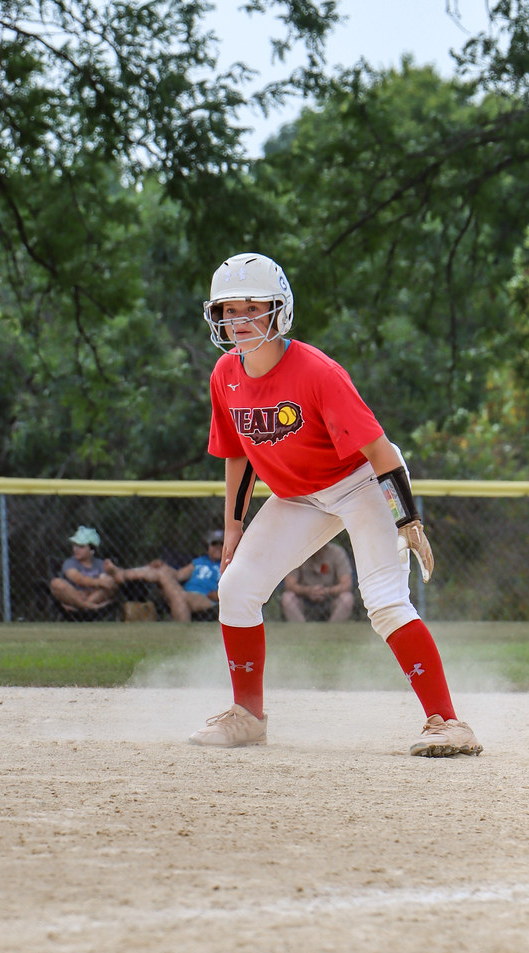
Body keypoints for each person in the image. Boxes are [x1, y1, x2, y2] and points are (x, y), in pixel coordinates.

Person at [188, 252, 482, 758]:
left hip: (361, 481)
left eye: (251, 307)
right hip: (299, 495)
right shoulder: (224, 375)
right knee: (235, 589)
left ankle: (449, 722)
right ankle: (248, 716)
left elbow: (379, 451)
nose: (238, 321)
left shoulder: (316, 371)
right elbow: (238, 455)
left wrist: (405, 515)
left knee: (385, 601)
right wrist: (233, 529)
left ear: (279, 311)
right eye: (229, 310)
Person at [105, 531, 224, 622]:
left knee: (179, 596)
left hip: (206, 599)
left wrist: (219, 594)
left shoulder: (229, 564)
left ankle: (123, 574)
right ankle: (122, 574)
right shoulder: (199, 561)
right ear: (207, 546)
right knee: (161, 570)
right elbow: (177, 575)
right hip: (183, 593)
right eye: (214, 544)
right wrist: (163, 566)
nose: (217, 547)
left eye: (221, 544)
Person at [50, 526, 120, 614]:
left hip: (88, 599)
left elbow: (109, 583)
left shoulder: (101, 564)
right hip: (74, 596)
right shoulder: (70, 562)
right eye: (75, 545)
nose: (75, 549)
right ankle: (90, 607)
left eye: (81, 546)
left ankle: (82, 606)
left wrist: (87, 592)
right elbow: (77, 579)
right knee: (56, 583)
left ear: (92, 550)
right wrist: (99, 583)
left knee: (113, 585)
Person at [281, 542, 355, 622]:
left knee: (347, 598)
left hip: (331, 598)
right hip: (303, 598)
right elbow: (289, 584)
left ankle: (332, 631)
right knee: (287, 598)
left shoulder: (337, 553)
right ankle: (301, 631)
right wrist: (308, 591)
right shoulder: (298, 553)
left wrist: (327, 591)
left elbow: (347, 584)